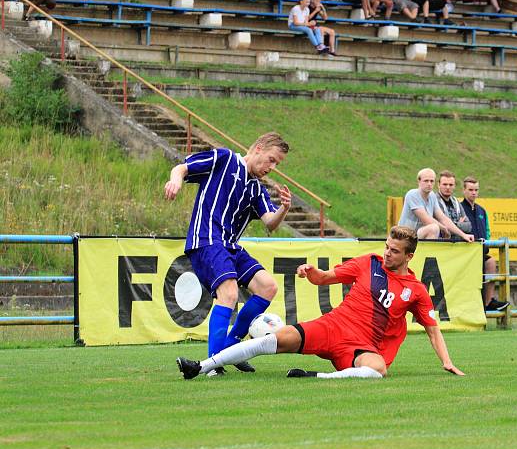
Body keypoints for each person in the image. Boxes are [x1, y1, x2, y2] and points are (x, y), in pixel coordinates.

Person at [177, 226, 466, 380]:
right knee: (279, 338)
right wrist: (312, 272)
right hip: (333, 325)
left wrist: (447, 361)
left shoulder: (415, 290)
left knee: (378, 369)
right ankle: (201, 367)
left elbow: (432, 328)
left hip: (360, 346)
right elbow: (327, 277)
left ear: (409, 257)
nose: (387, 253)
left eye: (395, 251)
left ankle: (318, 376)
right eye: (387, 247)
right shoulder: (369, 262)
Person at [164, 133, 293, 376]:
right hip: (206, 239)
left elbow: (270, 222)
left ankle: (229, 346)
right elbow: (181, 168)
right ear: (257, 148)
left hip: (230, 245)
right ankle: (214, 365)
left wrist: (284, 208)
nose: (272, 168)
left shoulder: (256, 188)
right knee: (229, 292)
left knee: (268, 287)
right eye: (271, 160)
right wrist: (175, 181)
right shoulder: (224, 159)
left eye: (277, 164)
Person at [460, 176, 508, 312]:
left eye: (476, 190)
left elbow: (487, 231)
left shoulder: (482, 210)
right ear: (464, 190)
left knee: (491, 262)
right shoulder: (460, 208)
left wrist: (486, 242)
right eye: (470, 190)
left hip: (481, 251)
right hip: (466, 252)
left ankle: (489, 302)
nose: (473, 193)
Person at [398, 168, 474, 242]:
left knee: (434, 227)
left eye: (432, 181)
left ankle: (429, 254)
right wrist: (443, 228)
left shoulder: (432, 196)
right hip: (404, 236)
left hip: (417, 236)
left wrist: (464, 235)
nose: (429, 184)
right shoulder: (412, 194)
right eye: (426, 181)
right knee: (434, 228)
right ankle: (428, 254)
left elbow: (443, 218)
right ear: (419, 181)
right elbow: (426, 220)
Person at [435, 171, 471, 240]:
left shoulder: (456, 202)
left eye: (451, 185)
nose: (448, 187)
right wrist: (459, 224)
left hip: (457, 245)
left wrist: (454, 225)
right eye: (445, 184)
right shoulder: (433, 200)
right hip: (440, 245)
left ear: (454, 186)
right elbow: (441, 227)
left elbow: (469, 226)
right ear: (438, 185)